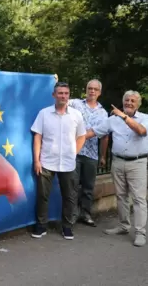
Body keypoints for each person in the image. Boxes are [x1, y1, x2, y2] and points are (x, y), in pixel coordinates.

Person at [85, 90, 148, 247]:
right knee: (121, 196)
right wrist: (72, 138)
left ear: (138, 104)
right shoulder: (113, 120)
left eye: (133, 101)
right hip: (118, 162)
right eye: (126, 100)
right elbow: (93, 132)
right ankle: (124, 226)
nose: (129, 103)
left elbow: (141, 131)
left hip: (137, 162)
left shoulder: (145, 118)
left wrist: (124, 117)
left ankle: (140, 232)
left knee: (139, 199)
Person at [30, 81, 86, 240]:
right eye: (60, 93)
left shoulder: (76, 115)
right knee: (43, 196)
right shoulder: (44, 114)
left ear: (69, 95)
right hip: (47, 162)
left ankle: (67, 227)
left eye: (66, 93)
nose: (63, 96)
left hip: (68, 163)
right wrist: (36, 160)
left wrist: (73, 152)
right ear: (54, 95)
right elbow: (37, 137)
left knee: (69, 196)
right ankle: (41, 226)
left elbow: (82, 136)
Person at [68, 79, 109, 227]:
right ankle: (71, 215)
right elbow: (61, 98)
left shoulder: (103, 113)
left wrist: (103, 156)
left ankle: (85, 214)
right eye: (89, 88)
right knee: (72, 185)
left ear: (99, 92)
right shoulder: (75, 104)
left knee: (88, 186)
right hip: (74, 152)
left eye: (95, 89)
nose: (92, 91)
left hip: (91, 154)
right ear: (86, 90)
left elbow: (105, 136)